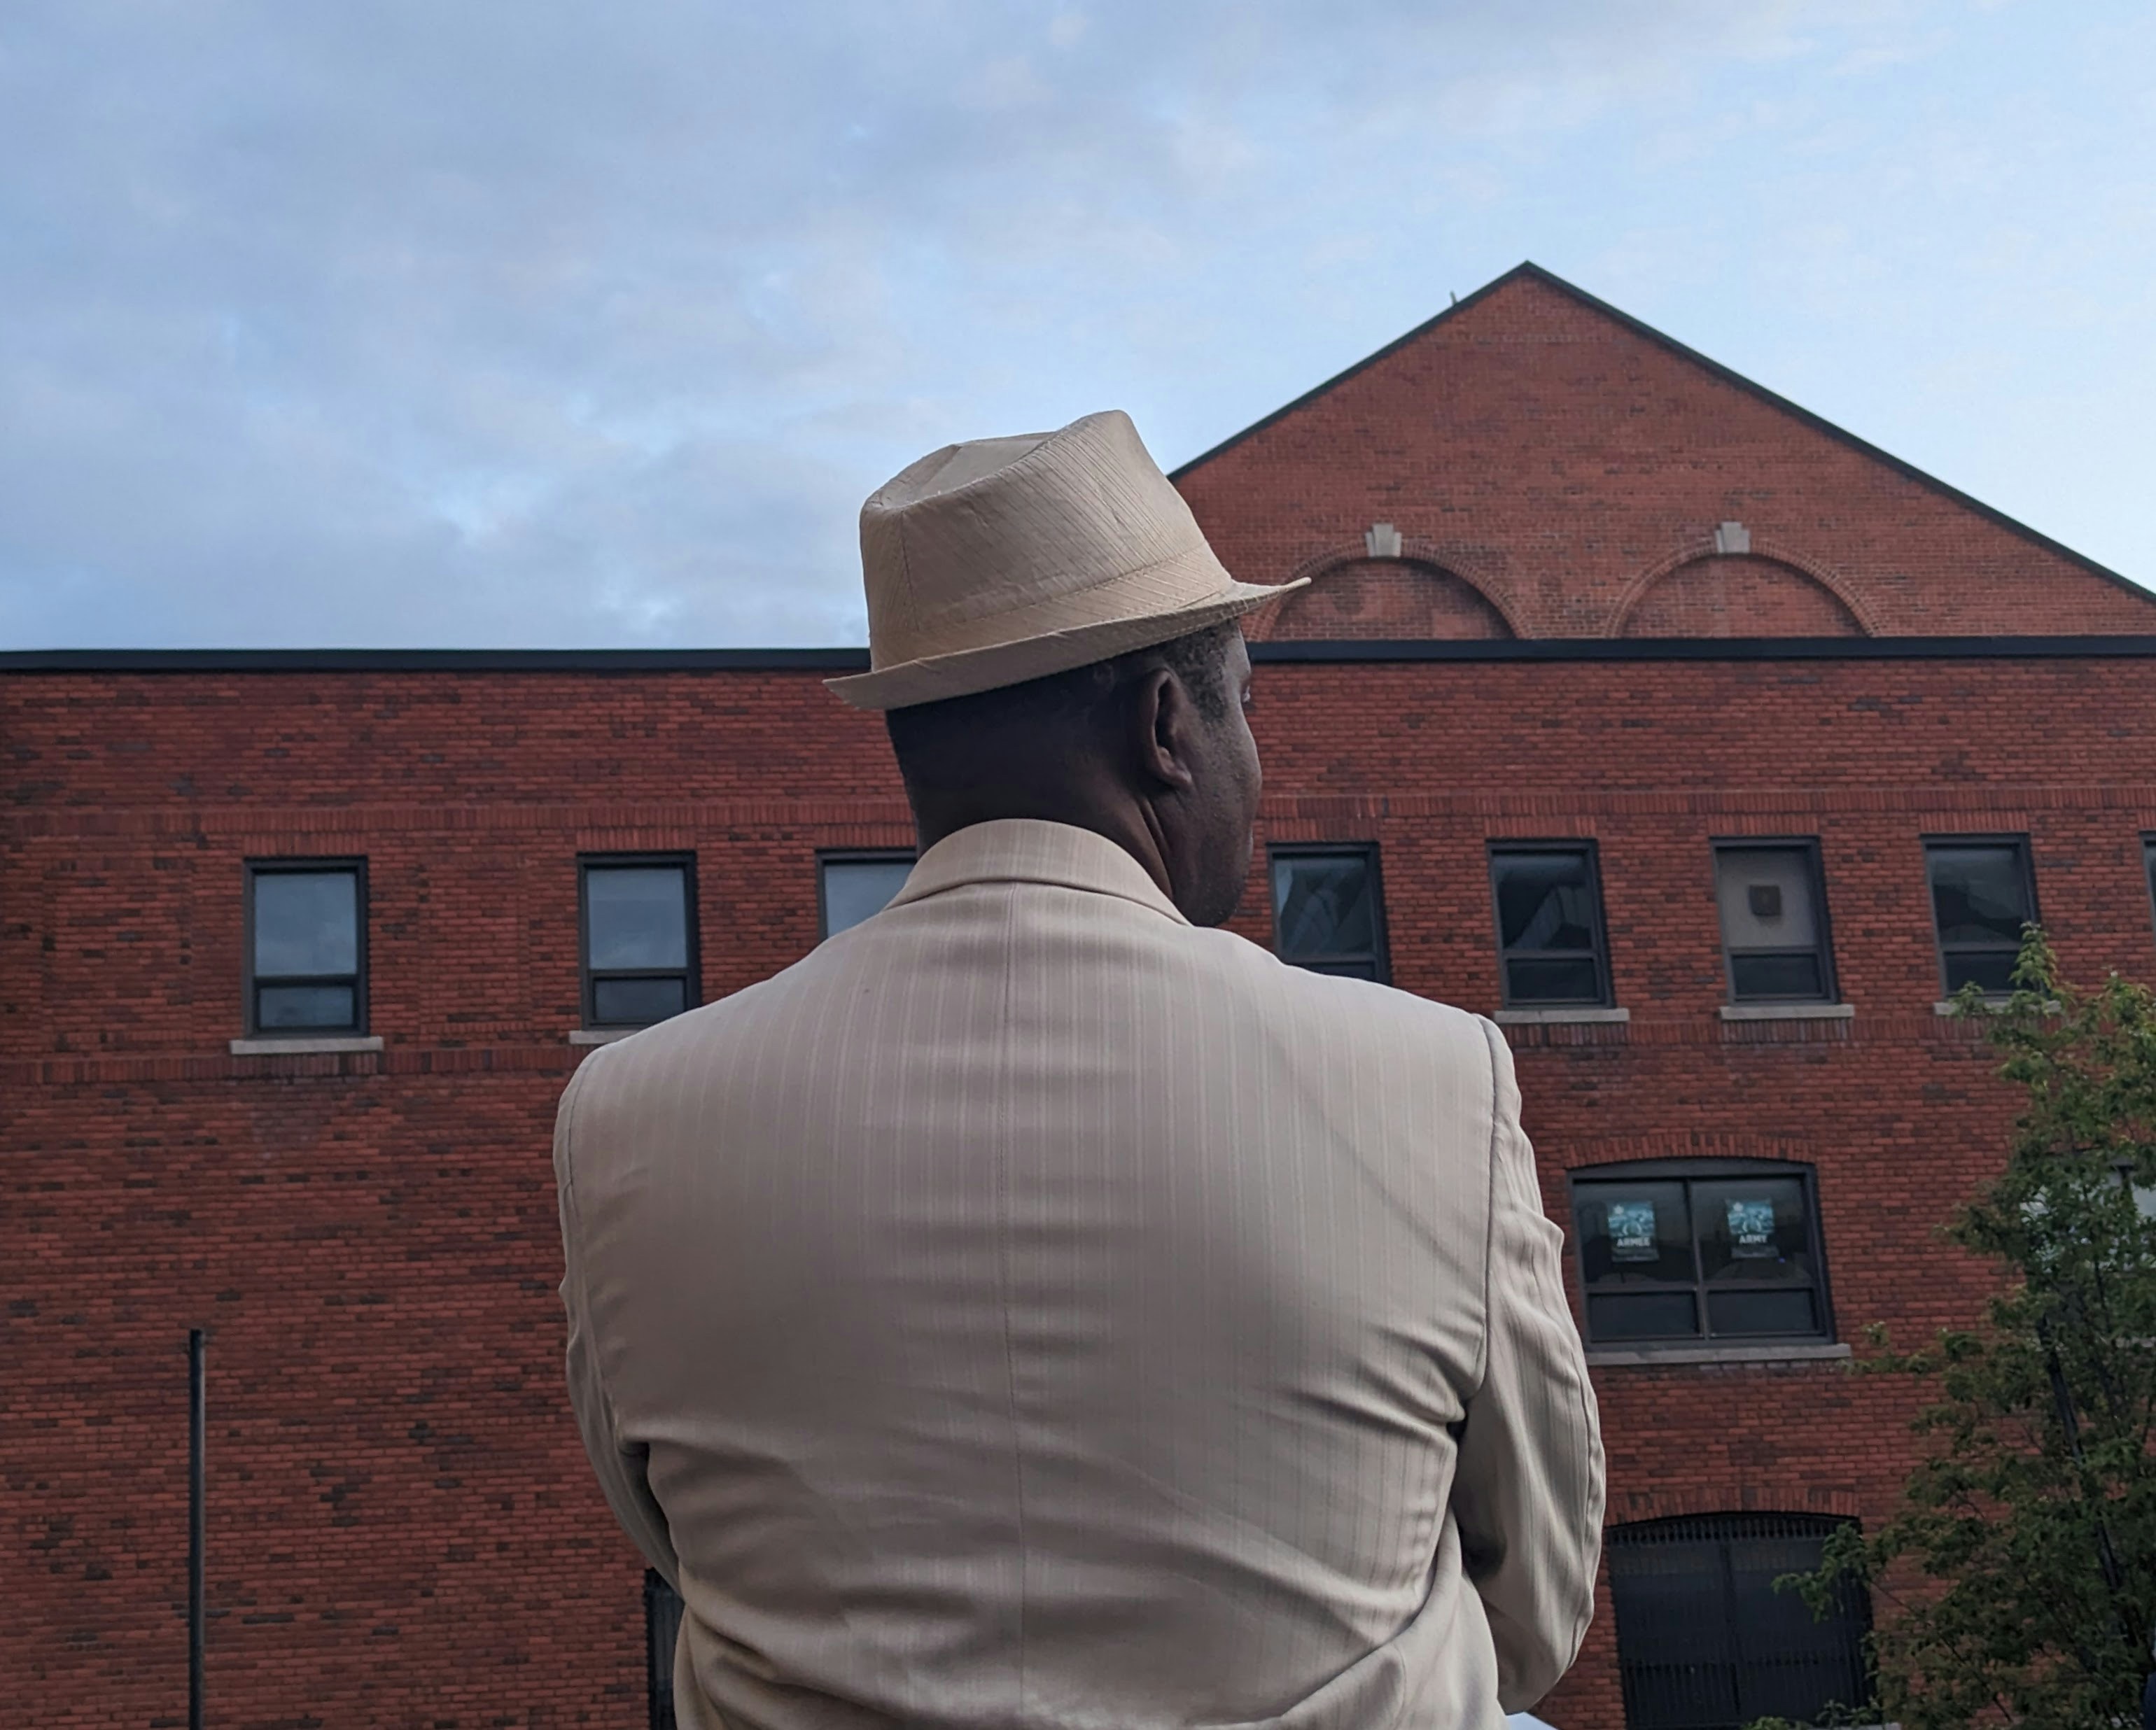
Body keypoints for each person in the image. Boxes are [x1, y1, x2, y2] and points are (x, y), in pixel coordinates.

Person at [554, 409, 1604, 1729]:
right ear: (1170, 726)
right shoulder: (1434, 1076)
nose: (1257, 767)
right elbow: (1539, 1606)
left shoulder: (631, 1113)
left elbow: (669, 1533)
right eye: (1248, 711)